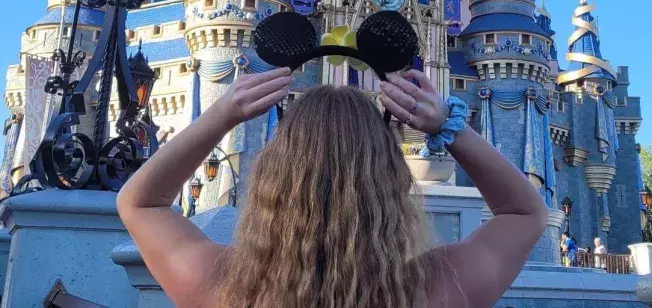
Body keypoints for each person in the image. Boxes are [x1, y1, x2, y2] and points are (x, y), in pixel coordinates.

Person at [118, 68, 548, 308]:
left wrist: (222, 113)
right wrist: (447, 127)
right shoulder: (437, 289)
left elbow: (140, 203)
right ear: (392, 181)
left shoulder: (225, 288)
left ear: (274, 176)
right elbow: (524, 213)